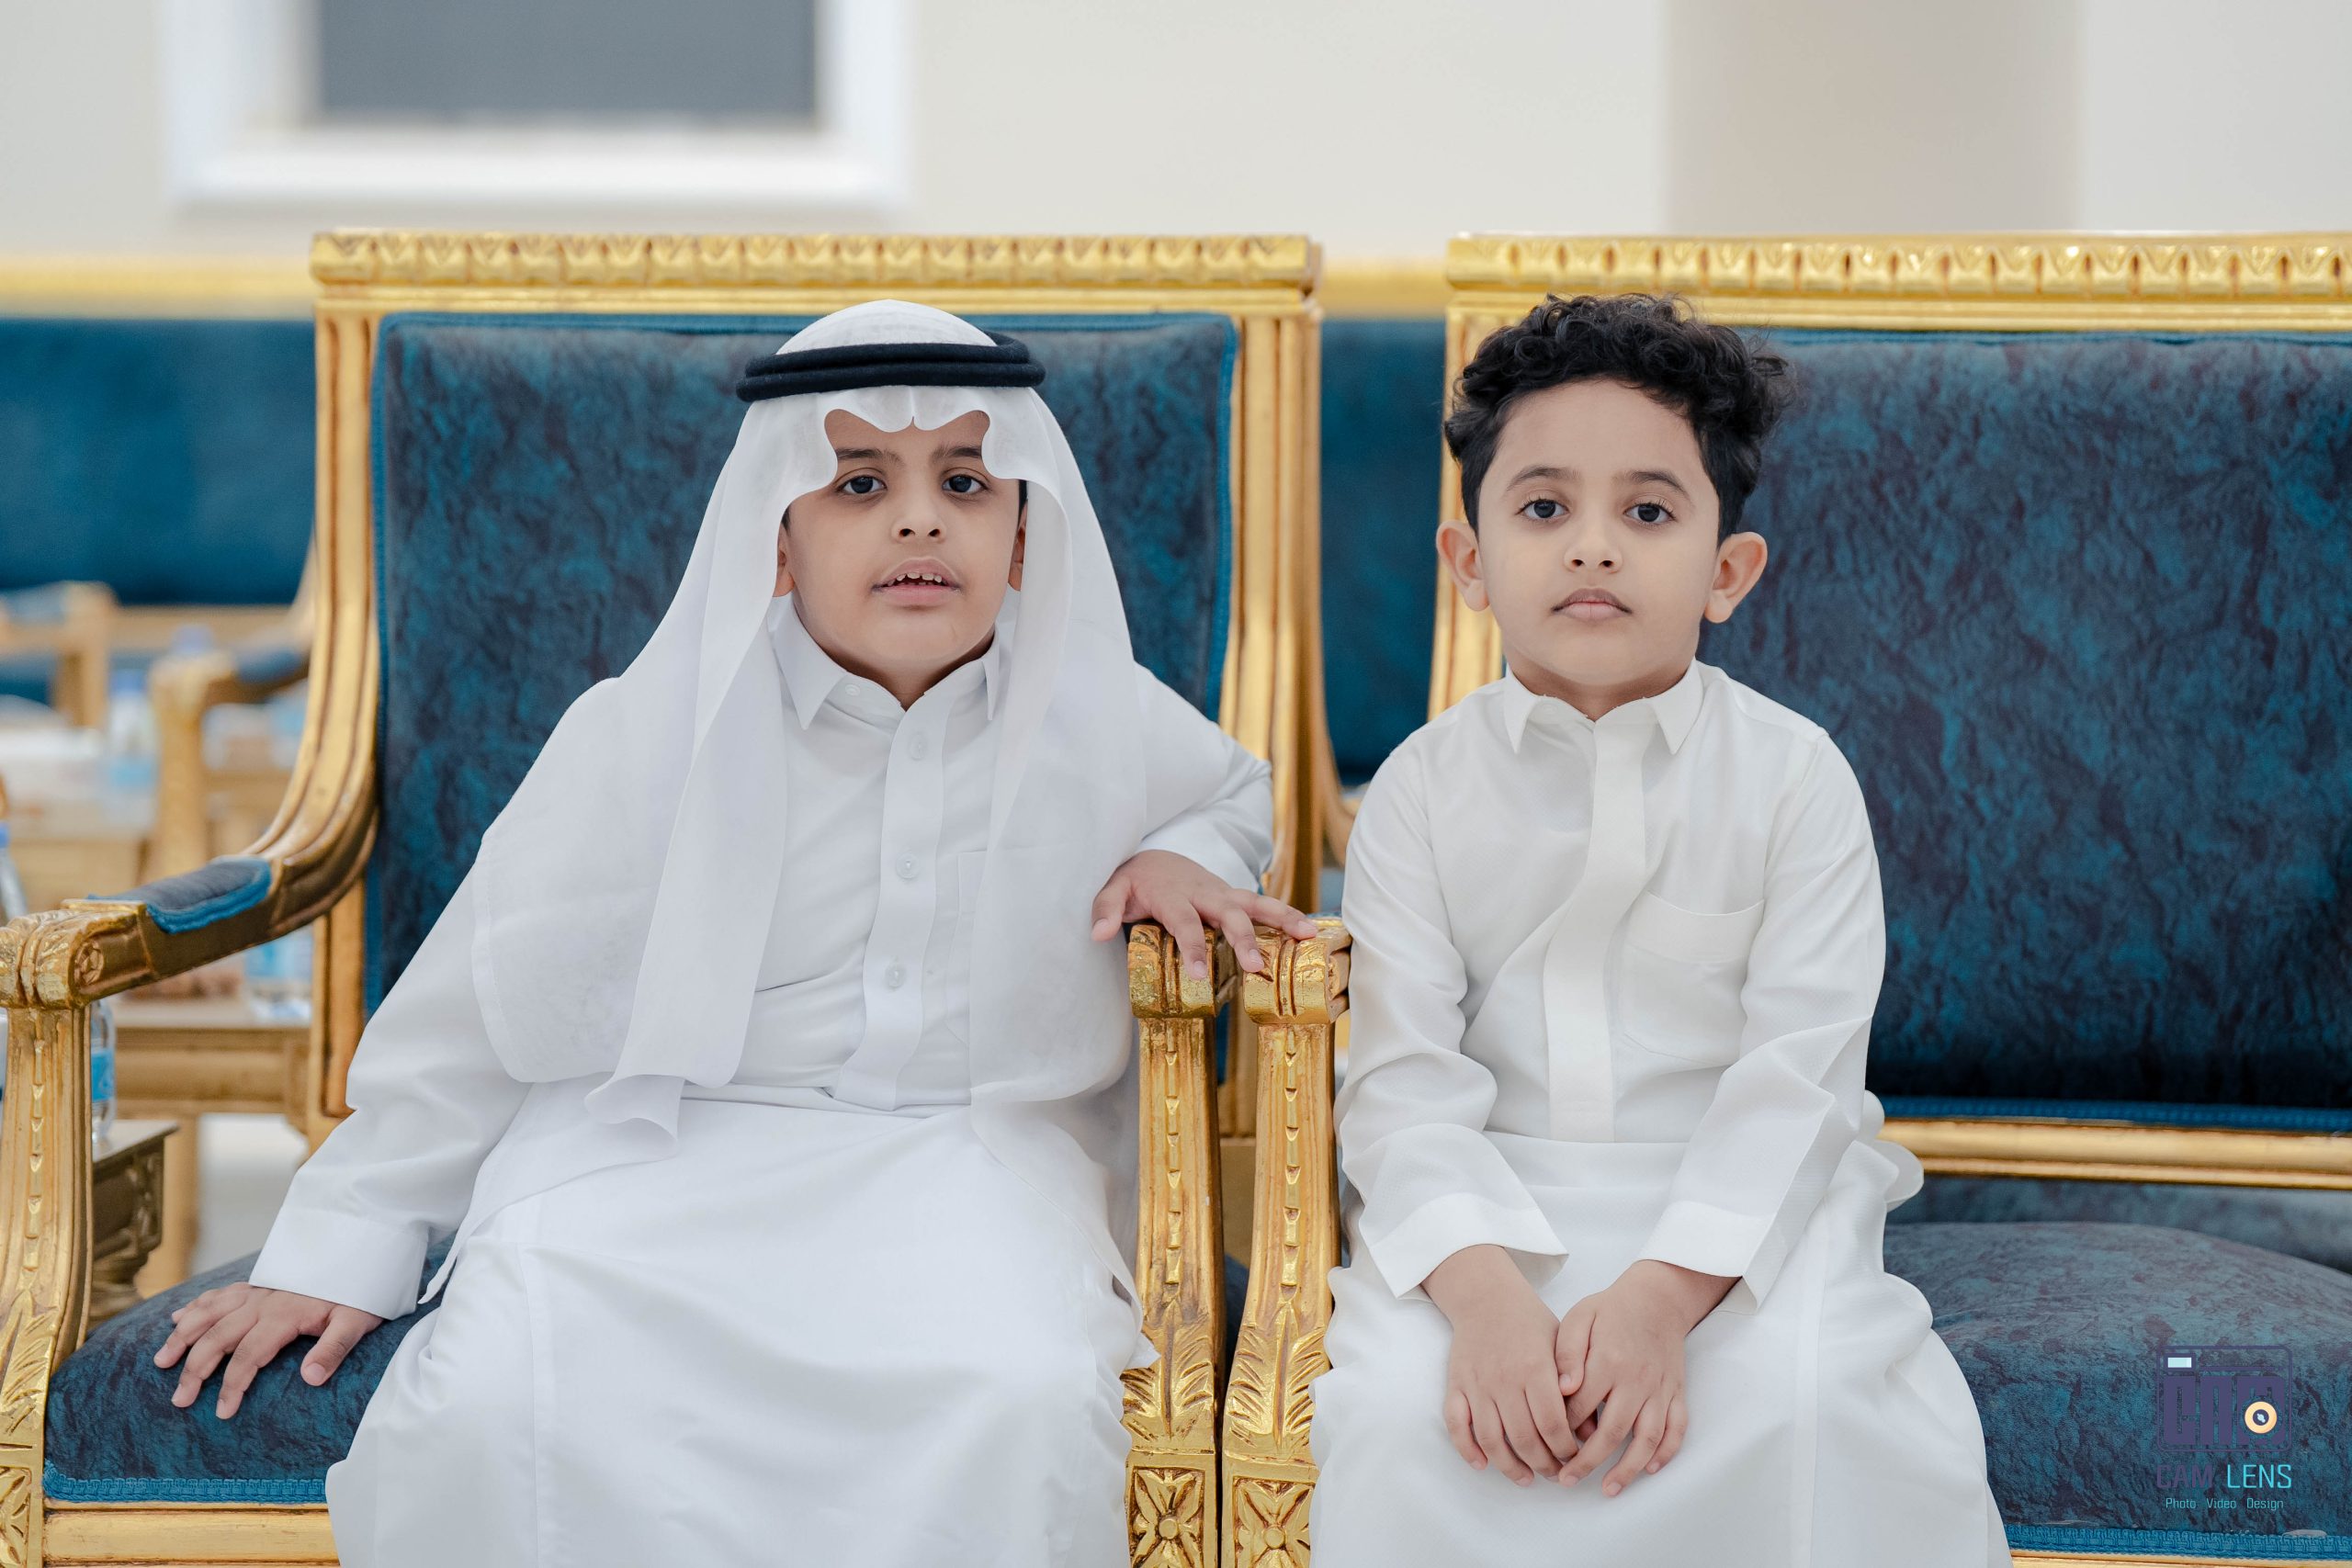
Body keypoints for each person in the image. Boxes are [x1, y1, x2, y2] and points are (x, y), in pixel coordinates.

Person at [152, 299, 1317, 1567]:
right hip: (655, 1152)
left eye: (966, 482)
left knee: (1020, 1396)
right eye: (859, 482)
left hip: (967, 1165)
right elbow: (472, 1021)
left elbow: (1233, 794)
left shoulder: (1100, 715)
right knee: (502, 1395)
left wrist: (1182, 856)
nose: (919, 520)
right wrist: (344, 1246)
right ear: (776, 537)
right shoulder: (644, 730)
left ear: (1024, 535)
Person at [1306, 293, 2007, 1566]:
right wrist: (1486, 1305)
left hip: (1740, 1215)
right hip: (1484, 1213)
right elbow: (1401, 1086)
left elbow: (1798, 1082)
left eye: (1646, 512)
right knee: (1399, 1418)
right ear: (1468, 564)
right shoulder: (1415, 790)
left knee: (1801, 1401)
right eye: (1542, 509)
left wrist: (1661, 1300)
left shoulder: (1796, 780)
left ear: (1727, 572)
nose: (1592, 547)